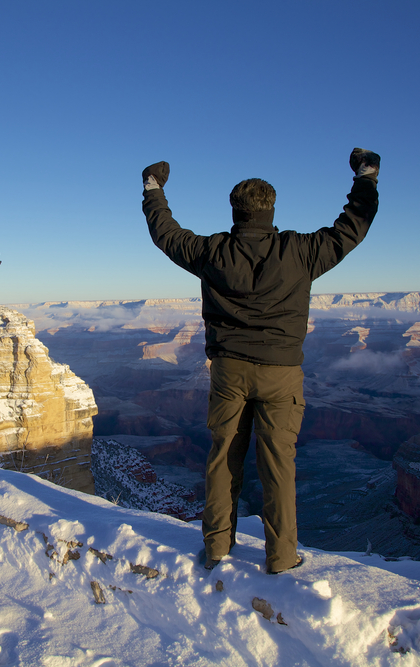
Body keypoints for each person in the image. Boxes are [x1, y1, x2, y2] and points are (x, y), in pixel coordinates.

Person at [140, 148, 380, 574]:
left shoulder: (212, 251)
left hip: (230, 372)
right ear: (270, 209)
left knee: (223, 457)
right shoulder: (302, 251)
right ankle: (282, 557)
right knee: (278, 465)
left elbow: (167, 234)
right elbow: (353, 226)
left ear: (235, 210)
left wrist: (153, 187)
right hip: (282, 374)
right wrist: (366, 175)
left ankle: (216, 548)